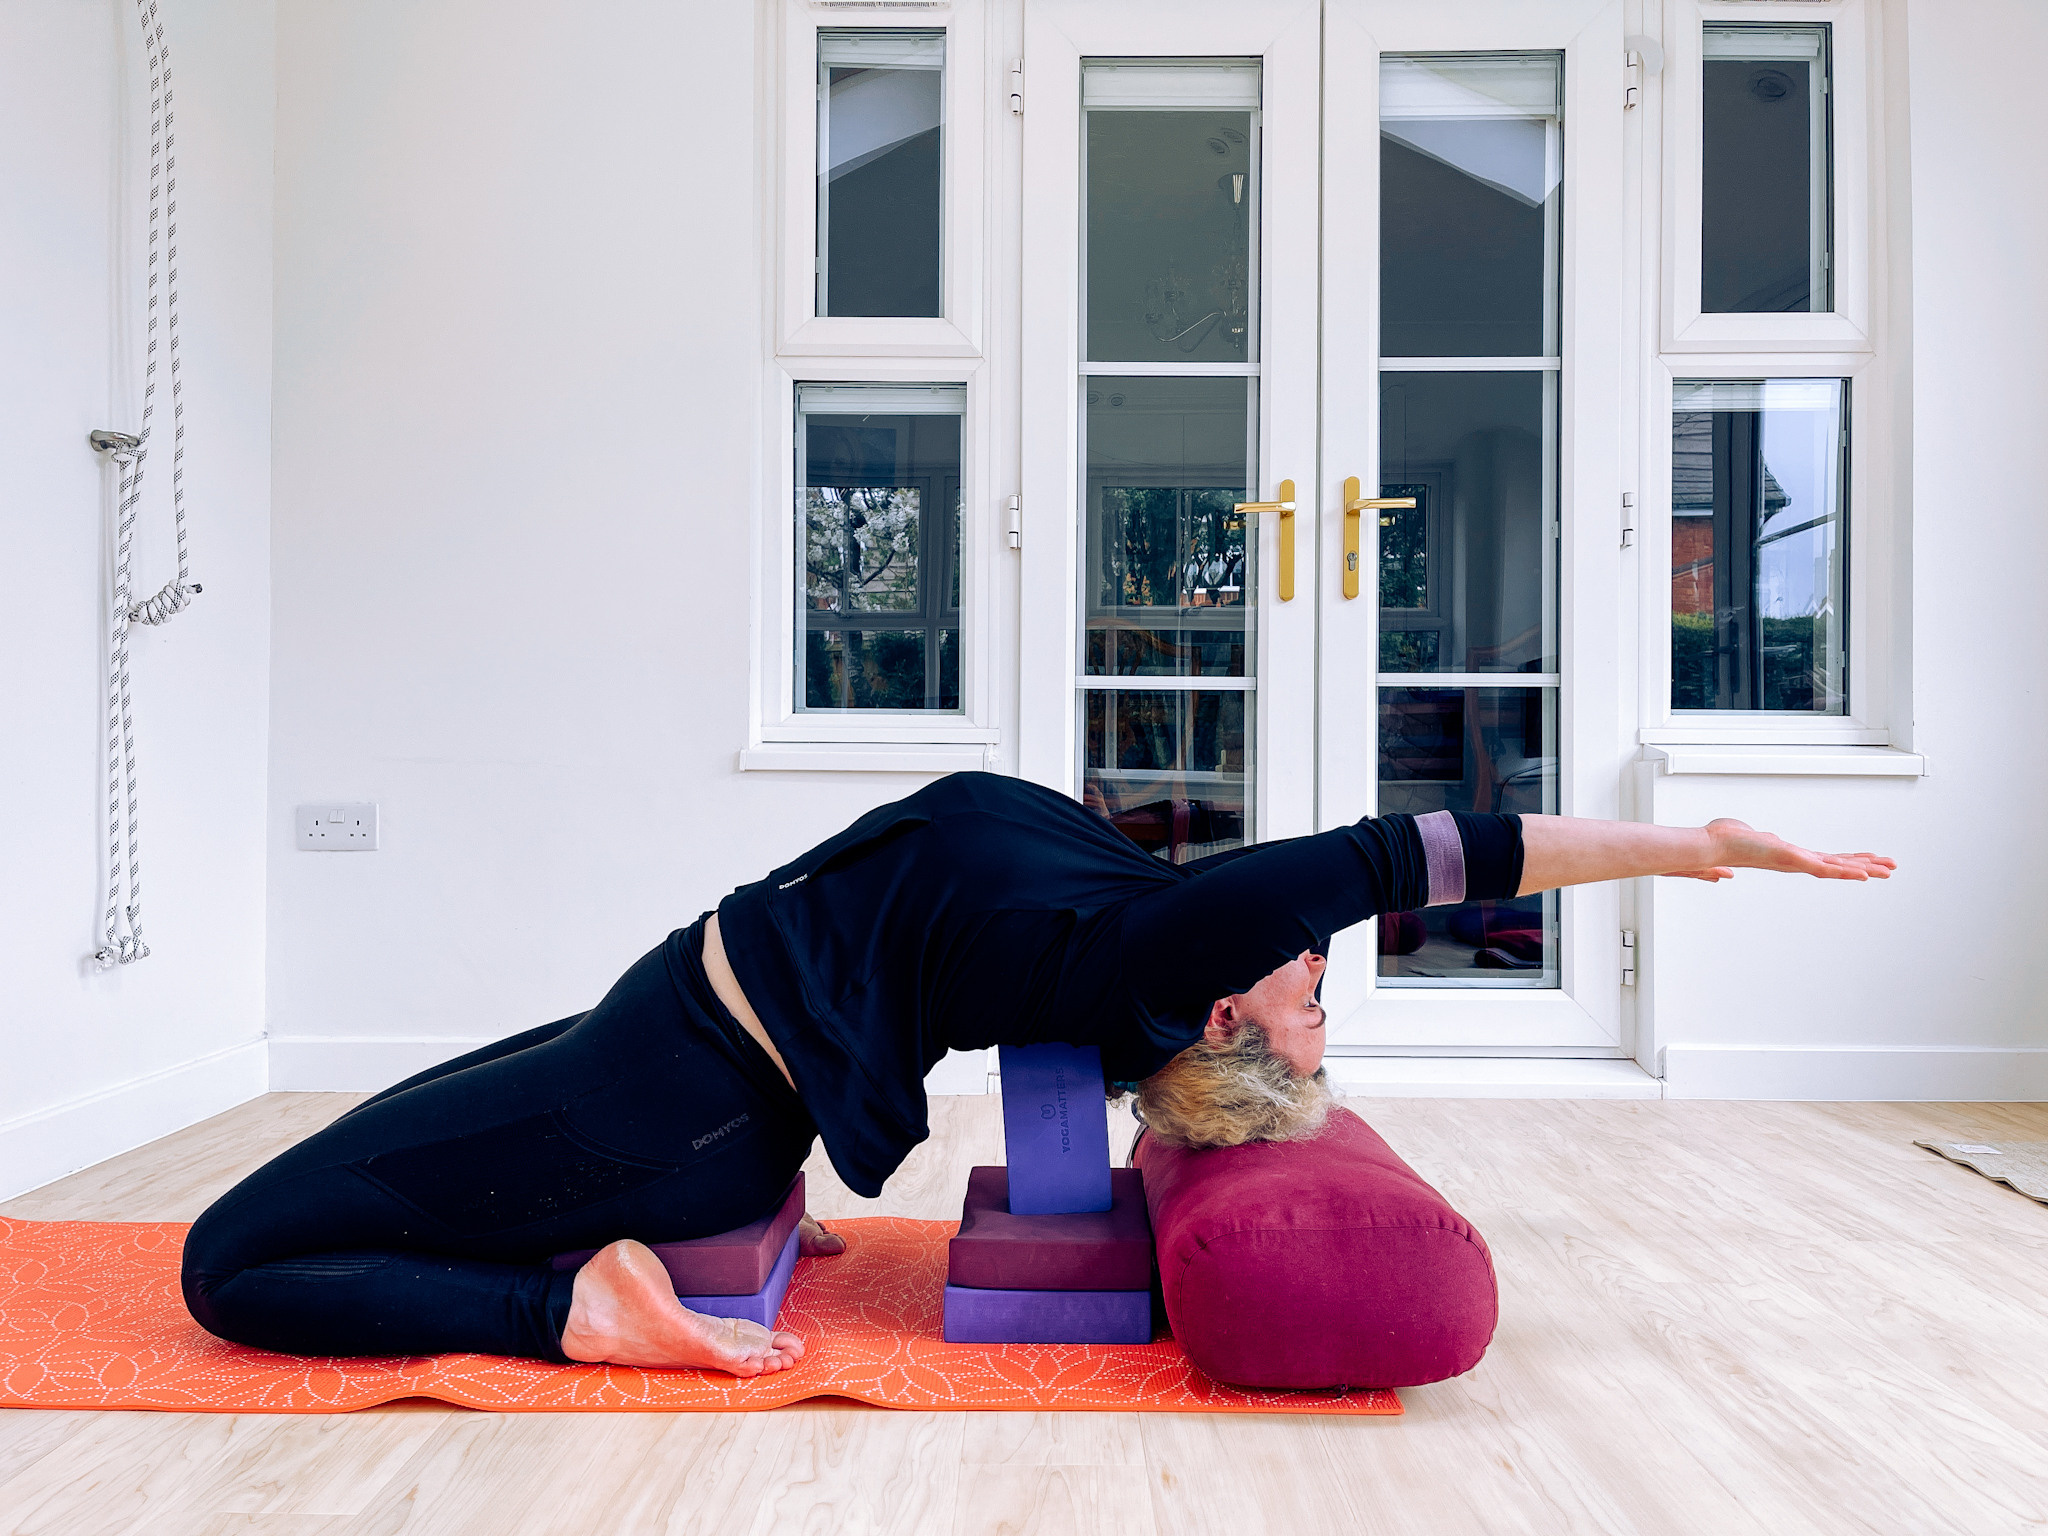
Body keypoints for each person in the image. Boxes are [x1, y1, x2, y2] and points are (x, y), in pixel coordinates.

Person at [180, 772, 1892, 1377]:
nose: (1321, 992)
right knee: (366, 1160)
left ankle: (575, 1319)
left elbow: (1433, 849)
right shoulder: (1140, 922)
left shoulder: (1168, 960)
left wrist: (1691, 849)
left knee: (230, 1262)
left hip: (678, 1087)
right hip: (685, 1066)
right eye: (1323, 1008)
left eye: (1312, 1021)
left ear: (1227, 1022)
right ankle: (653, 1243)